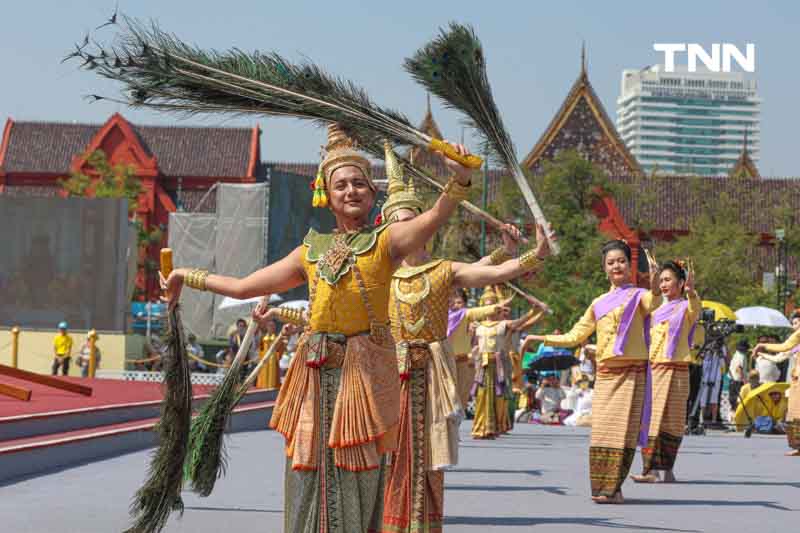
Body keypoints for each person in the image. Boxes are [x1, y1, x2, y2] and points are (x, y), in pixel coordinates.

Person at [165, 125, 476, 531]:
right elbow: (243, 286)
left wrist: (460, 178)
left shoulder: (387, 242)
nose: (351, 191)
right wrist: (185, 276)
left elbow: (435, 217)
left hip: (362, 379)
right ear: (326, 195)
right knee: (306, 469)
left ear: (372, 194)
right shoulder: (309, 252)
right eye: (341, 184)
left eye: (360, 184)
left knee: (358, 470)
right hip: (314, 376)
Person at [377, 144, 552, 533]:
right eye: (398, 225)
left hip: (430, 376)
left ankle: (421, 523)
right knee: (386, 454)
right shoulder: (377, 274)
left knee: (425, 456)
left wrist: (533, 255)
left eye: (412, 222)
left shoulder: (444, 270)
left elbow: (491, 275)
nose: (406, 232)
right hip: (387, 375)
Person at [525, 240, 658, 504]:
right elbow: (576, 335)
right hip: (607, 375)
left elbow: (654, 302)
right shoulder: (599, 303)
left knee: (624, 432)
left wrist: (653, 283)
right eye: (611, 262)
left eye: (621, 261)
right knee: (602, 432)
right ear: (604, 268)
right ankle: (602, 487)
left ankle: (614, 489)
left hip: (631, 374)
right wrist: (541, 338)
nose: (616, 266)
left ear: (629, 265)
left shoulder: (638, 295)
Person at [631, 259, 699, 484]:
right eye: (661, 280)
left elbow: (695, 307)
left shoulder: (687, 307)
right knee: (651, 419)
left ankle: (668, 468)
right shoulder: (656, 309)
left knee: (674, 422)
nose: (663, 284)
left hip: (679, 371)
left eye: (668, 280)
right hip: (655, 371)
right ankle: (649, 469)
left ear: (681, 283)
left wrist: (691, 293)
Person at [471, 286, 545, 439]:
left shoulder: (503, 325)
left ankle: (494, 427)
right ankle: (480, 427)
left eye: (492, 304)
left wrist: (533, 311)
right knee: (482, 395)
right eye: (486, 304)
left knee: (498, 395)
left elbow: (521, 322)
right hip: (482, 364)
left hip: (498, 363)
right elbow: (472, 344)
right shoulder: (476, 326)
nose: (489, 308)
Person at [448, 287, 512, 408]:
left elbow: (482, 311)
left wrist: (497, 306)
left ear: (465, 304)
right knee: (446, 397)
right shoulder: (442, 317)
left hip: (464, 363)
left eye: (459, 302)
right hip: (444, 362)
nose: (455, 305)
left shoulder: (467, 315)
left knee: (460, 401)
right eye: (452, 302)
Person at [752, 312, 800, 456]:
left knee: (795, 415)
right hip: (796, 380)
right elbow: (779, 357)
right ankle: (798, 447)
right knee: (792, 415)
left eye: (797, 323)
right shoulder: (796, 346)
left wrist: (762, 345)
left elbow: (783, 346)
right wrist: (762, 354)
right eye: (794, 323)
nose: (795, 326)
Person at [256, 319, 285, 389]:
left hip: (273, 360)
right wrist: (261, 358)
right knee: (264, 373)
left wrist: (277, 357)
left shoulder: (278, 338)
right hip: (265, 360)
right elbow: (261, 349)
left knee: (273, 375)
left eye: (272, 326)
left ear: (275, 327)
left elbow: (280, 350)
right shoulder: (263, 338)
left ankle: (272, 386)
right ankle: (264, 386)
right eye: (269, 326)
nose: (271, 327)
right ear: (266, 327)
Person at [729, 339, 749, 412]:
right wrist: (745, 381)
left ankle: (732, 416)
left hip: (733, 380)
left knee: (733, 401)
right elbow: (739, 369)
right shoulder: (741, 356)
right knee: (738, 401)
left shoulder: (736, 354)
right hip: (738, 382)